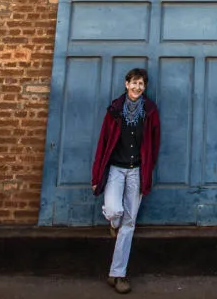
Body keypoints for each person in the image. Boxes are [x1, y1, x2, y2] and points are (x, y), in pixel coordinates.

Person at [91, 68, 160, 294]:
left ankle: (117, 274)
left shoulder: (149, 111)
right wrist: (95, 176)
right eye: (134, 83)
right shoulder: (114, 111)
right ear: (126, 84)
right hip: (116, 170)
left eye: (141, 84)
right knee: (113, 210)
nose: (137, 87)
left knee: (129, 224)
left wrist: (148, 166)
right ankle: (112, 224)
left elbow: (155, 142)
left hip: (136, 171)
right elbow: (103, 143)